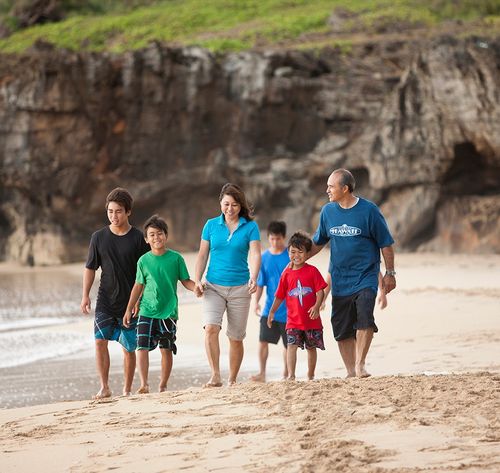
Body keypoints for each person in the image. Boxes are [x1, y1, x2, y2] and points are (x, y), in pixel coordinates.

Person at [311, 168, 396, 378]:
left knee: (365, 316)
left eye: (331, 186)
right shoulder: (328, 212)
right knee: (341, 330)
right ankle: (350, 371)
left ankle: (360, 364)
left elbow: (386, 244)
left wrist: (390, 273)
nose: (327, 190)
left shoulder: (369, 211)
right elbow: (317, 243)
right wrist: (297, 261)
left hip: (365, 276)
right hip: (340, 279)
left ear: (345, 188)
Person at [80, 187, 149, 399]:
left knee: (129, 347)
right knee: (100, 341)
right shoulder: (98, 237)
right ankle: (105, 387)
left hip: (131, 302)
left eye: (118, 211)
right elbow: (90, 268)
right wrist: (85, 295)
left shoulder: (138, 238)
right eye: (110, 211)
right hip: (105, 300)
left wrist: (140, 299)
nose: (114, 215)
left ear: (128, 212)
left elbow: (147, 271)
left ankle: (127, 389)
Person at [194, 183, 261, 387]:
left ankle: (232, 379)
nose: (229, 209)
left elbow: (256, 253)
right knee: (211, 329)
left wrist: (254, 277)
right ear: (220, 204)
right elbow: (202, 254)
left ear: (240, 206)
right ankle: (215, 376)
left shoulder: (250, 227)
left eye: (234, 204)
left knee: (235, 337)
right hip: (213, 286)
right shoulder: (211, 225)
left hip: (241, 288)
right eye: (226, 204)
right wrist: (197, 280)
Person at [123, 215, 195, 394]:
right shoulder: (143, 261)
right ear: (146, 239)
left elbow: (186, 281)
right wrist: (129, 309)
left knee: (166, 348)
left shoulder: (176, 258)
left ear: (166, 235)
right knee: (141, 346)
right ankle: (144, 384)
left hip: (168, 312)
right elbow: (138, 286)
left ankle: (162, 385)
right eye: (152, 235)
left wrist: (198, 288)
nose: (156, 238)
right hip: (146, 310)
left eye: (160, 234)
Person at [267, 232, 327, 381]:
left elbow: (320, 291)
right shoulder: (286, 274)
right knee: (291, 346)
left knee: (311, 348)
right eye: (293, 251)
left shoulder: (312, 271)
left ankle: (311, 375)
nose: (297, 255)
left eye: (301, 252)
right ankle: (291, 375)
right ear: (288, 252)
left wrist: (316, 306)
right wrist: (272, 311)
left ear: (307, 254)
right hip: (293, 320)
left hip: (311, 319)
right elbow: (279, 295)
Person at [251, 221, 290, 382]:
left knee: (289, 345)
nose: (275, 242)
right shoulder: (264, 258)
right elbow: (260, 284)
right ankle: (262, 373)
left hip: (290, 310)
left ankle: (287, 374)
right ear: (268, 238)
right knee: (263, 340)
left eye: (278, 239)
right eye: (272, 239)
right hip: (269, 309)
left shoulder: (291, 255)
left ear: (284, 238)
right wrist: (256, 302)